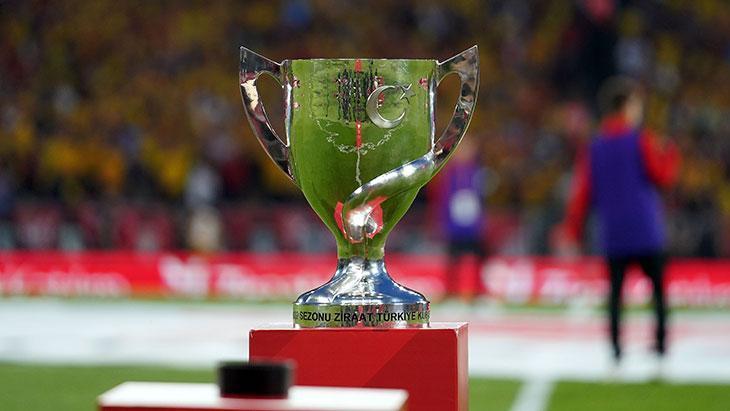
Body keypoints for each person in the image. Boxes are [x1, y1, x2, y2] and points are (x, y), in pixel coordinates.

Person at [557, 77, 681, 364]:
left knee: (615, 293)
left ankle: (615, 349)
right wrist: (670, 152)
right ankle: (661, 345)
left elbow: (582, 193)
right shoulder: (641, 140)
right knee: (658, 290)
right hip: (645, 230)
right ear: (626, 106)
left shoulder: (595, 146)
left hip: (613, 232)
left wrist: (573, 230)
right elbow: (663, 176)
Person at [430, 137, 488, 300]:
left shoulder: (477, 172)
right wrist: (442, 222)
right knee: (452, 259)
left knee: (477, 258)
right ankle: (450, 290)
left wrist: (482, 222)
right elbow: (442, 200)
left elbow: (481, 200)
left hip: (473, 225)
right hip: (453, 225)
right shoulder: (448, 174)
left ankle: (477, 291)